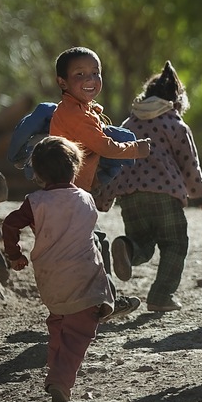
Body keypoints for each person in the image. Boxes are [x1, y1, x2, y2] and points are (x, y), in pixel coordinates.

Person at [99, 61, 202, 312]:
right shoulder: (175, 124)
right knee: (175, 244)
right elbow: (189, 164)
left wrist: (104, 198)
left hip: (130, 196)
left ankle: (127, 248)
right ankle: (160, 296)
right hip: (165, 195)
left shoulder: (128, 124)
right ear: (177, 100)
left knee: (142, 242)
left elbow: (113, 159)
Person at [1, 136, 114, 402]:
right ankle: (60, 380)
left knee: (60, 321)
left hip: (49, 278)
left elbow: (9, 224)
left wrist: (14, 255)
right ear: (76, 168)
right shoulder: (86, 199)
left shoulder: (35, 201)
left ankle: (55, 364)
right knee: (80, 329)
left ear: (38, 174)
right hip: (84, 277)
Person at [48, 46, 152, 320]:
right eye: (80, 74)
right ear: (63, 82)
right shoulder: (75, 115)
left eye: (95, 72)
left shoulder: (83, 110)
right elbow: (104, 146)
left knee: (92, 244)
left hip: (76, 192)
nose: (90, 79)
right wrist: (135, 149)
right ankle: (100, 303)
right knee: (92, 244)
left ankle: (97, 301)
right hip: (69, 195)